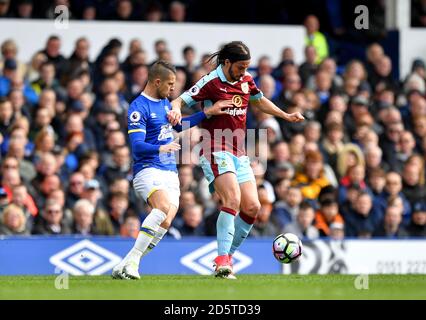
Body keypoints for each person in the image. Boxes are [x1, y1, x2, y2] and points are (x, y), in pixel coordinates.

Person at [168, 41, 304, 278]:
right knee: (232, 199)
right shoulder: (211, 82)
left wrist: (284, 115)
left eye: (247, 67)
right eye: (241, 67)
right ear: (227, 63)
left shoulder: (246, 80)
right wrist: (177, 109)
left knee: (253, 207)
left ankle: (226, 257)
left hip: (239, 151)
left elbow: (259, 100)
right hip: (214, 146)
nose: (244, 72)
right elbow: (180, 100)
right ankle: (222, 262)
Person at [111, 61, 231, 280]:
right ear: (157, 81)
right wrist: (161, 147)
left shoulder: (165, 102)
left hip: (169, 171)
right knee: (162, 208)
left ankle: (126, 263)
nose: (173, 89)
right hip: (147, 169)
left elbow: (180, 126)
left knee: (165, 222)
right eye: (170, 84)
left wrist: (208, 112)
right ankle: (133, 265)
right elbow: (136, 145)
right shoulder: (138, 107)